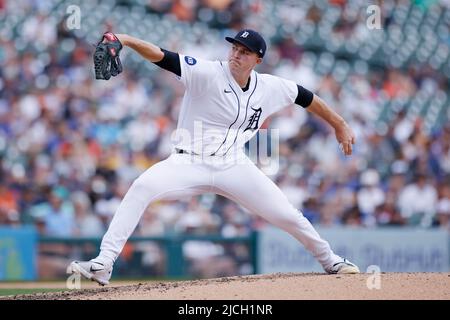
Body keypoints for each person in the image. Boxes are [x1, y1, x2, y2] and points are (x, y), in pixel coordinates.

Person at [68, 29, 360, 286]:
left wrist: (340, 123)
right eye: (234, 48)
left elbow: (305, 96)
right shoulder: (207, 72)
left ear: (258, 59)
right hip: (188, 162)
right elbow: (161, 56)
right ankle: (103, 263)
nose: (236, 54)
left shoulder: (270, 86)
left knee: (285, 214)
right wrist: (125, 40)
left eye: (244, 52)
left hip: (233, 164)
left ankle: (331, 260)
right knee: (141, 188)